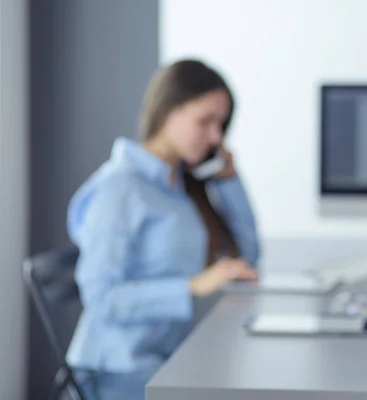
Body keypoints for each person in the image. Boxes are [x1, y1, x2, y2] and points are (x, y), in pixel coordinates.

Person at [65, 59, 260, 400]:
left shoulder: (178, 185)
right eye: (205, 121)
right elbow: (101, 297)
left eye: (221, 125)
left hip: (167, 363)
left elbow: (248, 257)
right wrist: (192, 286)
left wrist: (229, 181)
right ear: (168, 110)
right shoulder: (120, 187)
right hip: (119, 373)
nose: (216, 137)